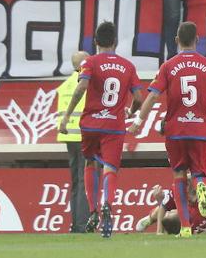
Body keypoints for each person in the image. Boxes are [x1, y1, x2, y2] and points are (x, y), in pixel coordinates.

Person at [127, 21, 206, 238]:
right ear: (197, 40)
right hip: (201, 130)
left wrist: (139, 120)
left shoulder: (168, 66)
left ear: (176, 41)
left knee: (178, 177)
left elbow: (154, 95)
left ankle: (185, 227)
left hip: (176, 131)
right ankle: (202, 186)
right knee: (200, 174)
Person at [59, 21, 143, 238]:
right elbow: (139, 98)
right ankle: (108, 203)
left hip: (90, 124)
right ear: (115, 42)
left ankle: (94, 209)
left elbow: (82, 87)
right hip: (114, 126)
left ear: (95, 42)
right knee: (110, 168)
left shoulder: (90, 62)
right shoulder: (128, 66)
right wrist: (131, 111)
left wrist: (67, 115)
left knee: (90, 162)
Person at [56, 51, 90, 233]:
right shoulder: (86, 82)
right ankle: (82, 225)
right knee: (85, 181)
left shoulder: (66, 84)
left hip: (69, 138)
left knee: (75, 182)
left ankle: (76, 223)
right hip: (84, 137)